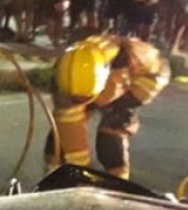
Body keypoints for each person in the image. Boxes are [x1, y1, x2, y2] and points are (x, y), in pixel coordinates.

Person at [44, 34, 169, 179]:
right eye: (77, 99)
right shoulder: (66, 75)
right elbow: (72, 137)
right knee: (60, 136)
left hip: (144, 80)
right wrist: (81, 171)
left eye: (84, 99)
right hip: (101, 81)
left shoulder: (137, 61)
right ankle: (51, 176)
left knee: (110, 134)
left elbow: (141, 78)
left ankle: (119, 183)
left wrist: (83, 177)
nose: (80, 102)